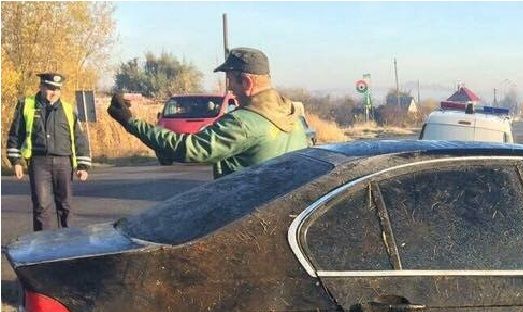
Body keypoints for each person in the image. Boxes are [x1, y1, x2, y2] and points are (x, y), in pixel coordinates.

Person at [107, 47, 308, 179]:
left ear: (246, 82)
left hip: (244, 217)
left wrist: (130, 122)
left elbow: (188, 149)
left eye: (231, 81)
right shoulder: (292, 114)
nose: (230, 89)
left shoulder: (243, 123)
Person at [6, 72, 92, 231]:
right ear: (41, 87)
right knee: (41, 206)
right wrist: (16, 161)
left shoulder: (67, 109)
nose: (54, 92)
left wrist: (82, 166)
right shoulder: (27, 105)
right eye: (50, 88)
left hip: (64, 162)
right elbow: (15, 135)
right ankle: (43, 245)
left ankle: (69, 242)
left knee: (65, 205)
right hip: (39, 163)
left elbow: (79, 138)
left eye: (57, 89)